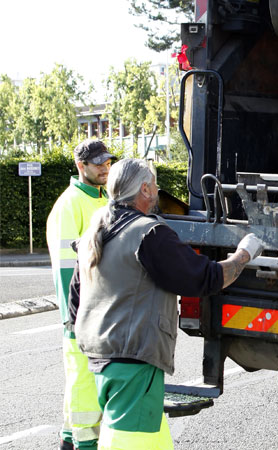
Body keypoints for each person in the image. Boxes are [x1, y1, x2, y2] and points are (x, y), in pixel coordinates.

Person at [71, 159, 262, 449]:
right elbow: (204, 277)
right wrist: (243, 255)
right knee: (126, 441)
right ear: (145, 189)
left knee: (150, 439)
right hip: (133, 363)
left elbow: (76, 300)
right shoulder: (148, 233)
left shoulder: (96, 230)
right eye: (156, 184)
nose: (159, 190)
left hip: (104, 359)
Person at [46, 139, 114, 450]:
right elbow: (64, 270)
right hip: (80, 314)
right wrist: (70, 320)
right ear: (80, 166)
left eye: (107, 161)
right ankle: (85, 444)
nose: (105, 167)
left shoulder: (103, 198)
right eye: (98, 162)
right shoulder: (70, 204)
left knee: (80, 381)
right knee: (84, 383)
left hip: (99, 310)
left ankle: (68, 440)